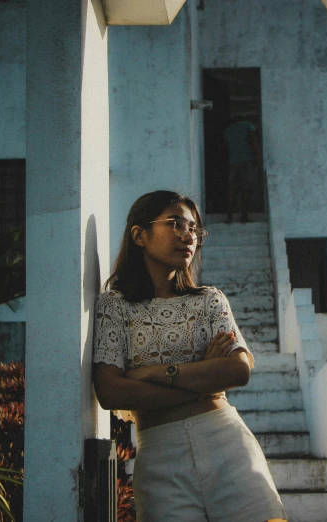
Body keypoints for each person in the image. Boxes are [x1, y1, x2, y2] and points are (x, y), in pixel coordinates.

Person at [93, 190, 287, 522]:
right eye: (176, 223)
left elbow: (238, 371)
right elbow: (111, 391)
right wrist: (205, 372)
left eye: (194, 228)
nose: (189, 235)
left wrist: (152, 372)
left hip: (227, 444)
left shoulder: (210, 300)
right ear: (139, 235)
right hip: (160, 457)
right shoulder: (114, 306)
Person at [223, 119, 262, 223]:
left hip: (233, 162)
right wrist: (258, 157)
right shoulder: (248, 125)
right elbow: (253, 141)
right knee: (247, 189)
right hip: (247, 161)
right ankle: (243, 216)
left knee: (233, 190)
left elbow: (227, 147)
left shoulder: (228, 131)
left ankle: (229, 217)